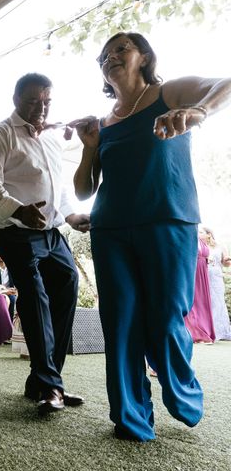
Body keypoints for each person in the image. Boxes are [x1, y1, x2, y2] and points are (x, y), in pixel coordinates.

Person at [71, 32, 231, 441]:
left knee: (164, 319)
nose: (111, 57)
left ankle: (182, 396)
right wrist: (91, 147)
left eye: (121, 49)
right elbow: (85, 190)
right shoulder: (103, 122)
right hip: (109, 230)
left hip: (168, 221)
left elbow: (225, 84)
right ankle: (131, 418)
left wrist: (195, 111)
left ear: (144, 56)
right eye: (104, 56)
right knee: (120, 322)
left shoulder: (167, 93)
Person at [0, 73, 89, 414]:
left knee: (68, 284)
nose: (41, 108)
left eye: (46, 102)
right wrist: (19, 210)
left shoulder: (53, 137)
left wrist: (69, 216)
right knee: (35, 297)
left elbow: (58, 187)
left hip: (52, 233)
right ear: (15, 100)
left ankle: (42, 380)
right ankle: (51, 386)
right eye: (32, 102)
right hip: (14, 230)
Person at [184, 232, 215, 343]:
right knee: (194, 300)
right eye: (200, 231)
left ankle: (205, 329)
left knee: (203, 302)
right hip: (194, 271)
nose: (200, 233)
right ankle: (194, 332)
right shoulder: (190, 238)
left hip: (203, 273)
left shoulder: (203, 243)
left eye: (202, 232)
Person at [202, 227, 231, 341]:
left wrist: (228, 260)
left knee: (217, 302)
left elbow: (226, 263)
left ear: (209, 234)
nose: (199, 235)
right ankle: (207, 330)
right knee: (206, 302)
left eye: (201, 232)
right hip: (203, 276)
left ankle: (218, 331)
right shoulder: (201, 247)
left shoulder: (221, 246)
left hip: (216, 276)